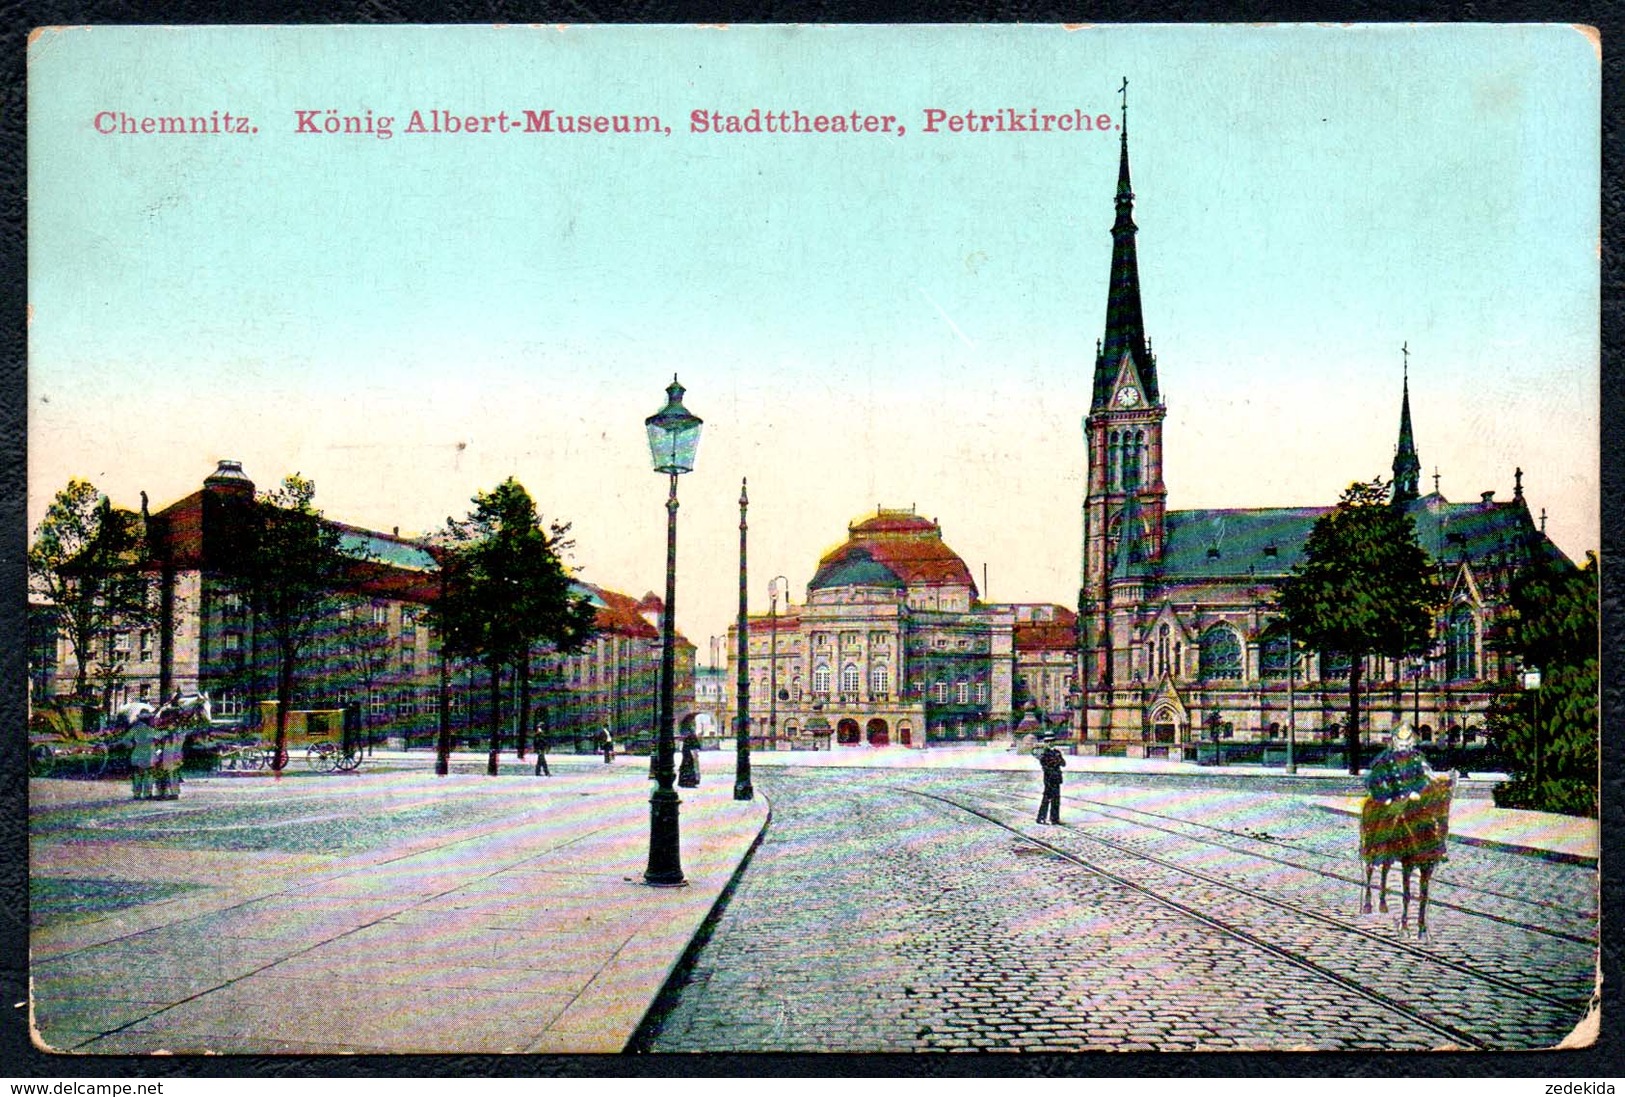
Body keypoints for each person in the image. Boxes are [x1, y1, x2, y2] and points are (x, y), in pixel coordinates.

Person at [1365, 722, 1434, 804]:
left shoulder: (1417, 758)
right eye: (1401, 745)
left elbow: (1425, 778)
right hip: (1391, 803)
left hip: (1413, 803)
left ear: (1411, 743)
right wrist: (1385, 797)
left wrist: (1416, 791)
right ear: (1395, 741)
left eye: (1407, 746)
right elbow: (1372, 781)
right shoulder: (1386, 759)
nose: (1404, 749)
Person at [1036, 735, 1065, 824]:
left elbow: (1063, 763)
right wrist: (1055, 762)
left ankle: (1054, 818)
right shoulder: (1044, 753)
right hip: (1049, 779)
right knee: (1046, 799)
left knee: (1056, 799)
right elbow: (1045, 766)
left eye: (1052, 742)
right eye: (1048, 742)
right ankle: (1041, 817)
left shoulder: (1057, 752)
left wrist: (1057, 761)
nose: (1050, 743)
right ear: (1045, 743)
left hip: (1057, 779)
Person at [128, 715, 158, 800]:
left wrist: (131, 745)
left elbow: (126, 739)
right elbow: (160, 737)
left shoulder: (135, 729)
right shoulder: (151, 730)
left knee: (138, 774)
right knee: (148, 774)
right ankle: (147, 793)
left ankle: (137, 793)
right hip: (149, 754)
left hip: (137, 753)